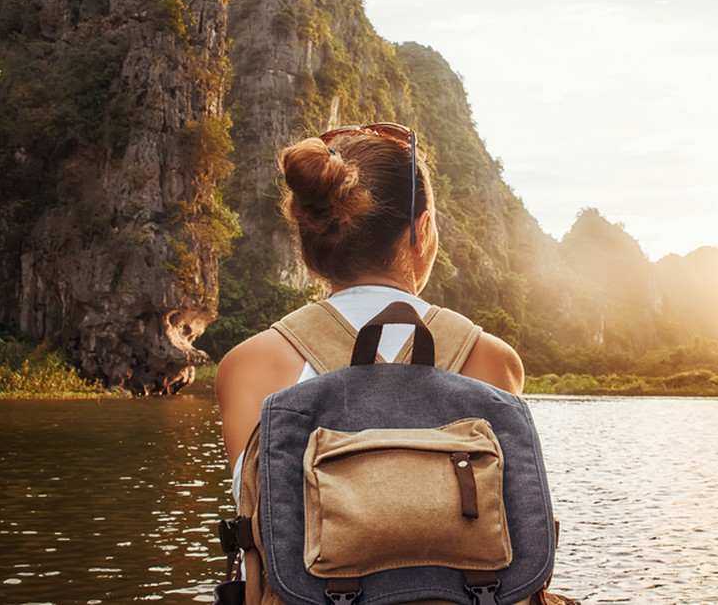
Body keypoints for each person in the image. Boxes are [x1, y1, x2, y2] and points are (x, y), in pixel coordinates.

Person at [215, 123, 524, 472]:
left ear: (307, 243)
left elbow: (256, 516)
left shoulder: (248, 365)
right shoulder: (490, 361)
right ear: (421, 232)